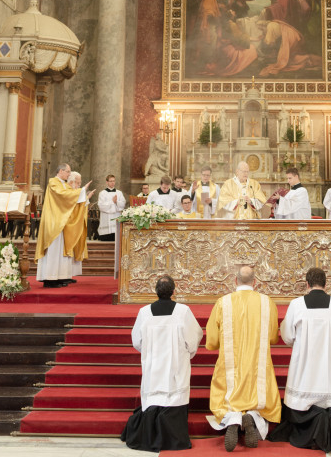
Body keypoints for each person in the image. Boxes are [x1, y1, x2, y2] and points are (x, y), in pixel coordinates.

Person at [270, 267, 331, 451]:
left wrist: (300, 347)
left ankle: (305, 430)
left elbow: (287, 335)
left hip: (304, 366)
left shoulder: (296, 305)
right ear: (326, 284)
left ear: (307, 284)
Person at [121, 273, 203, 452]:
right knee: (174, 395)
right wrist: (188, 354)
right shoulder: (183, 312)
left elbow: (137, 341)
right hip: (176, 367)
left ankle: (149, 436)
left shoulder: (144, 312)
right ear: (173, 291)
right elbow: (194, 337)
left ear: (155, 291)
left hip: (153, 368)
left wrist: (150, 352)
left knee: (153, 396)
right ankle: (174, 439)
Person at [206, 265, 281, 450]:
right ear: (255, 282)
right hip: (257, 367)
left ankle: (233, 419)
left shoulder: (223, 302)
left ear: (235, 281)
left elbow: (212, 341)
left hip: (230, 367)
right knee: (259, 397)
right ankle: (252, 417)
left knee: (225, 397)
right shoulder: (267, 302)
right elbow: (273, 337)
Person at [35, 163, 92, 288]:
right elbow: (64, 196)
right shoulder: (53, 183)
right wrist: (82, 190)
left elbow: (71, 198)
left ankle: (58, 277)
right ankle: (49, 279)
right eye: (68, 172)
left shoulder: (63, 184)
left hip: (62, 221)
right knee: (53, 250)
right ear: (61, 171)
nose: (69, 174)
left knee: (60, 251)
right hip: (53, 222)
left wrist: (83, 195)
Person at [65, 171, 92, 281]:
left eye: (80, 183)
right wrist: (83, 191)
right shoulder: (67, 191)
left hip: (77, 225)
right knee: (68, 250)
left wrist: (86, 198)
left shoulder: (76, 192)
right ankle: (65, 274)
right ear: (71, 181)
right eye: (78, 183)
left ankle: (71, 274)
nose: (79, 185)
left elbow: (80, 206)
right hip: (69, 225)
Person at [97, 173, 126, 241]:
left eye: (113, 181)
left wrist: (117, 202)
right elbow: (101, 206)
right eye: (111, 181)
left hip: (116, 215)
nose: (113, 183)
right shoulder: (102, 193)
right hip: (106, 217)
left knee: (116, 238)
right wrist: (112, 202)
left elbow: (123, 203)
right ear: (107, 182)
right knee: (106, 238)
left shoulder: (119, 193)